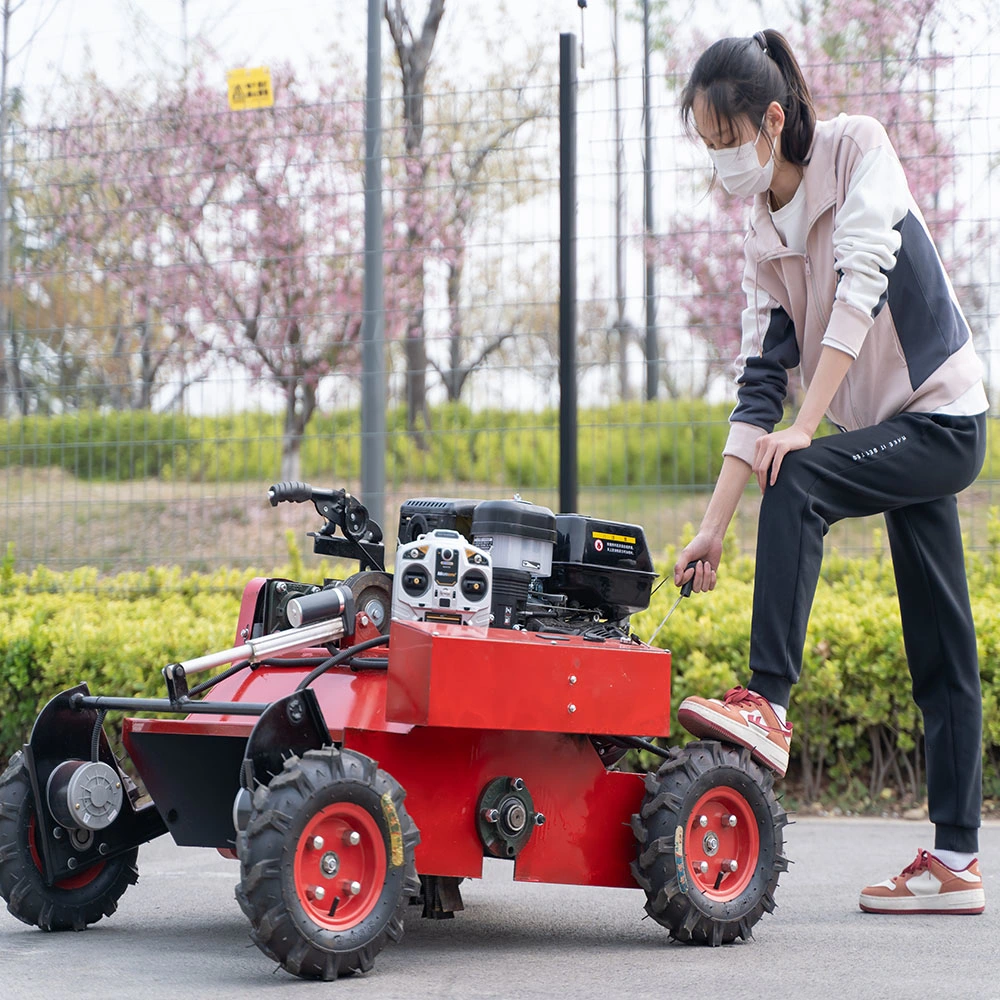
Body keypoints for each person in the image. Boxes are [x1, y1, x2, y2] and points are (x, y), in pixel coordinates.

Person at [673, 28, 989, 915]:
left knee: (800, 478)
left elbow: (860, 281)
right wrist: (712, 525)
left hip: (942, 417)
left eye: (726, 140)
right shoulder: (761, 239)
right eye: (707, 146)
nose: (720, 161)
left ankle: (765, 703)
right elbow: (757, 386)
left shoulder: (857, 150)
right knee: (941, 643)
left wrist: (807, 432)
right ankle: (959, 862)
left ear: (772, 120)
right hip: (894, 432)